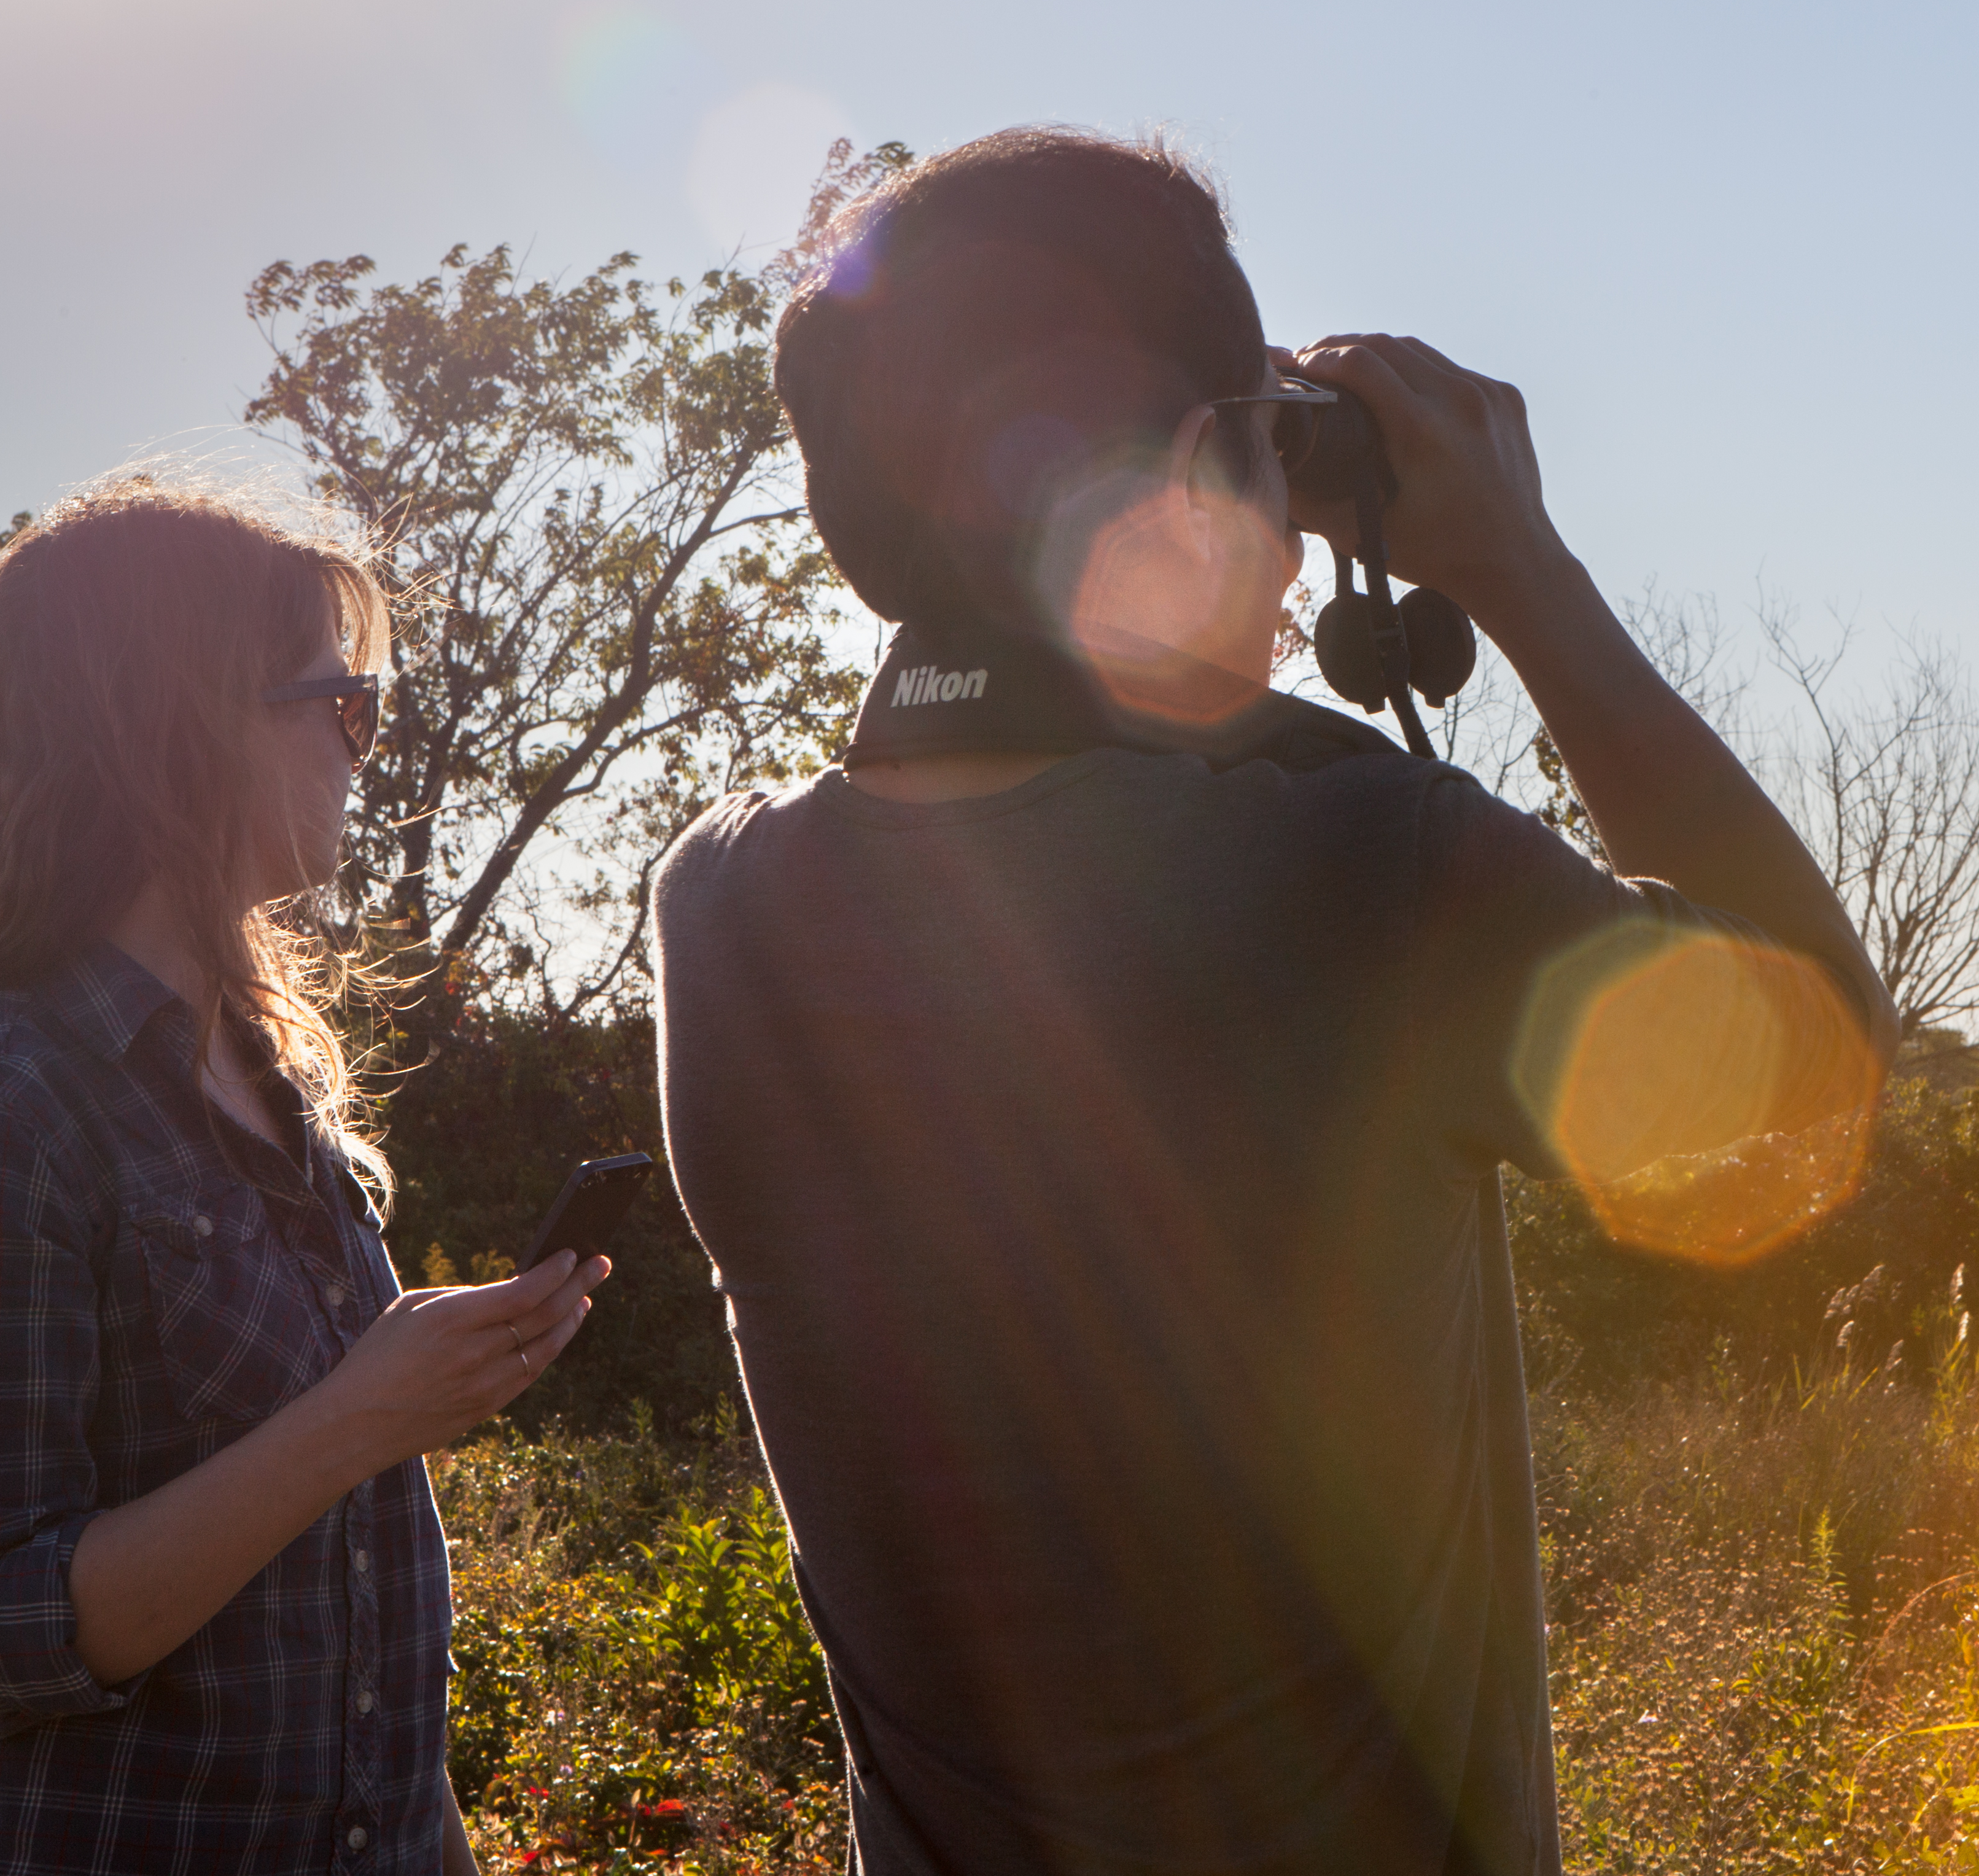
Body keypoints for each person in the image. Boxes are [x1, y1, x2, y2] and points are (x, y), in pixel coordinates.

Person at [651, 128, 1897, 1875]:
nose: (1304, 557)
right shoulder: (1356, 868)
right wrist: (1517, 568)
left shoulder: (725, 906)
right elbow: (1817, 1069)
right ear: (1185, 462)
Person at [0, 478, 609, 1875]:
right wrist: (357, 1418)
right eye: (338, 702)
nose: (364, 746)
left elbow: (351, 1591)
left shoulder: (267, 1071)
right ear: (172, 733)